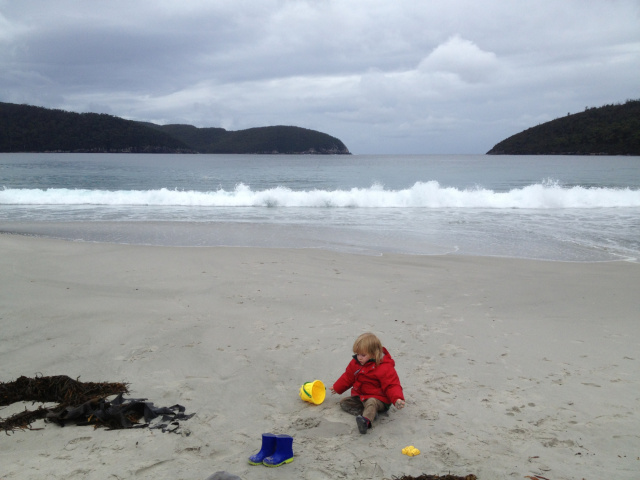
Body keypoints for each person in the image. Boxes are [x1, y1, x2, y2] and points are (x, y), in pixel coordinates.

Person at [330, 332, 405, 434]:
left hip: (379, 399)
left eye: (363, 355)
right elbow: (348, 376)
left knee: (371, 402)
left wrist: (396, 398)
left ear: (374, 353)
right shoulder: (356, 363)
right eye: (358, 354)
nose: (359, 357)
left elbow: (392, 385)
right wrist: (337, 387)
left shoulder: (384, 367)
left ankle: (366, 422)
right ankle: (372, 413)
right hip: (362, 396)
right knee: (344, 403)